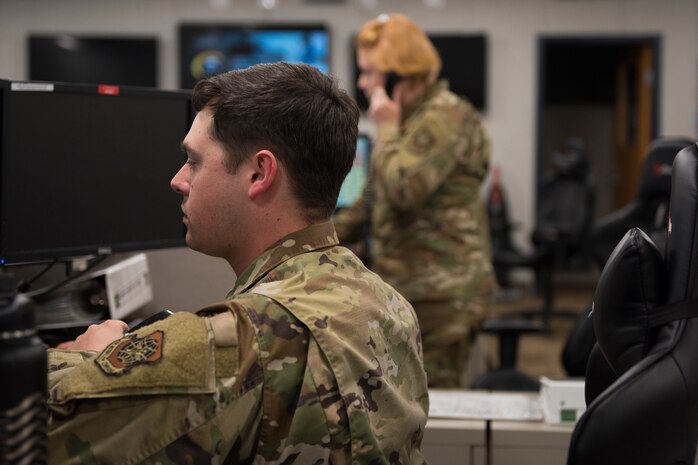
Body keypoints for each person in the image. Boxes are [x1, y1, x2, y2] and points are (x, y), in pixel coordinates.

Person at [47, 62, 430, 464]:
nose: (177, 180)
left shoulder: (234, 345)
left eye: (194, 161)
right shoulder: (388, 303)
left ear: (259, 173)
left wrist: (89, 357)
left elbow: (41, 431)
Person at [334, 14, 496, 388]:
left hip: (441, 297)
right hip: (411, 289)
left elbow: (403, 191)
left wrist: (386, 128)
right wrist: (314, 234)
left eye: (369, 72)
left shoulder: (446, 116)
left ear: (397, 75)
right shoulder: (412, 121)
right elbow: (373, 201)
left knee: (432, 409)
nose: (361, 83)